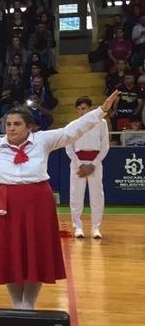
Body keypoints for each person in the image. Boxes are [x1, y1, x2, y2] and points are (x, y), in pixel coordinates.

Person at [0, 91, 119, 311]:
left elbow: (72, 131)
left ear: (30, 127)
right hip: (6, 204)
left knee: (35, 253)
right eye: (8, 124)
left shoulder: (42, 141)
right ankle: (16, 305)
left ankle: (29, 305)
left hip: (38, 204)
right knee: (10, 254)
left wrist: (101, 111)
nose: (11, 128)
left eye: (17, 124)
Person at [65, 97, 110, 239]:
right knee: (76, 196)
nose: (81, 112)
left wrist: (93, 164)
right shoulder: (73, 124)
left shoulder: (101, 123)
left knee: (97, 196)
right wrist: (80, 164)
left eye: (84, 108)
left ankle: (96, 228)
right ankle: (78, 227)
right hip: (77, 163)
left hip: (95, 163)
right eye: (78, 109)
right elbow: (69, 147)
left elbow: (105, 146)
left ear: (90, 108)